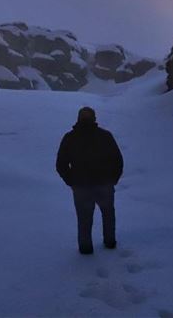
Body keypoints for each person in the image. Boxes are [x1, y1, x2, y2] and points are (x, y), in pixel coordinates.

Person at [56, 106, 124, 255]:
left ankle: (86, 250)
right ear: (94, 119)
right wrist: (112, 179)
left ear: (78, 119)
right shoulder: (105, 136)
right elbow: (117, 161)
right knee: (108, 214)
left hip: (81, 187)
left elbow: (61, 164)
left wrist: (71, 181)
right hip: (104, 184)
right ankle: (110, 243)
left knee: (84, 219)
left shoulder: (70, 137)